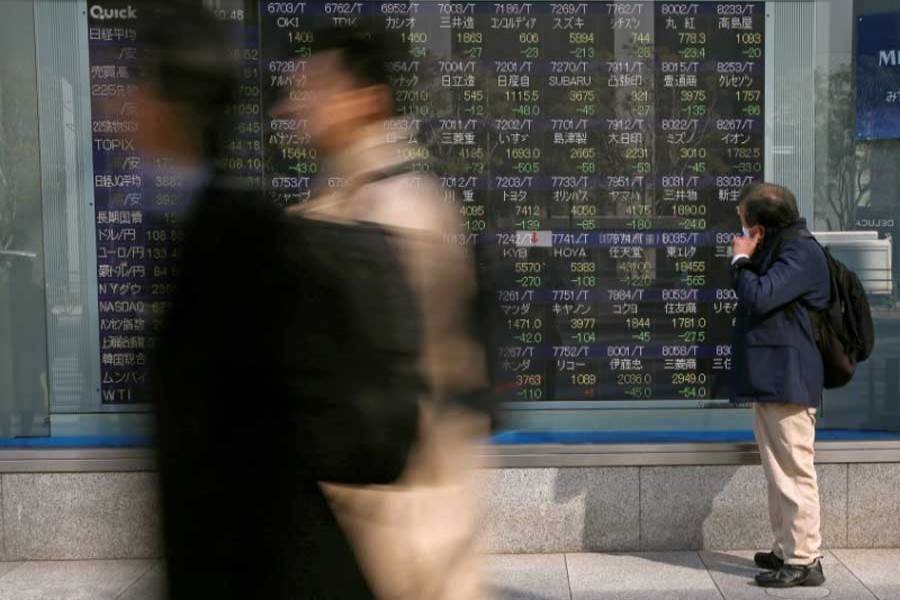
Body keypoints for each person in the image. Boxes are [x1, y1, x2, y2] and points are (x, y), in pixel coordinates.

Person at [145, 5, 420, 598]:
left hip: (353, 547)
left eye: (315, 88)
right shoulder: (240, 223)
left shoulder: (246, 234)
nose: (293, 107)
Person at [277, 25, 492, 600]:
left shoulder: (396, 205)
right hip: (369, 504)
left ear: (367, 99)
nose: (296, 104)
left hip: (402, 514)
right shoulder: (342, 195)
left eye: (316, 88)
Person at [730, 182, 831, 588]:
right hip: (774, 379)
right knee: (778, 472)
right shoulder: (784, 247)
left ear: (763, 226)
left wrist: (740, 261)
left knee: (793, 470)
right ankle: (786, 547)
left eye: (747, 224)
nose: (743, 231)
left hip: (790, 379)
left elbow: (760, 296)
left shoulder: (800, 251)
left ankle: (805, 559)